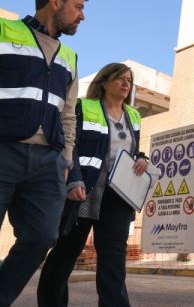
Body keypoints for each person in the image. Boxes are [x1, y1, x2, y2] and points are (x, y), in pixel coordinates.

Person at [0, 0, 87, 305]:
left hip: (47, 162)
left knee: (42, 236)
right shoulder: (5, 32)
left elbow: (68, 115)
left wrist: (65, 159)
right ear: (55, 2)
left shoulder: (70, 57)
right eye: (78, 7)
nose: (82, 16)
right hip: (3, 149)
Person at [37, 63, 148, 307]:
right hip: (84, 190)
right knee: (66, 254)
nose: (125, 83)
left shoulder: (134, 115)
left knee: (114, 260)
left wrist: (142, 158)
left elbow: (133, 149)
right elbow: (71, 144)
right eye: (119, 78)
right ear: (104, 81)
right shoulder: (84, 107)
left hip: (119, 195)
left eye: (129, 80)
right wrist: (74, 178)